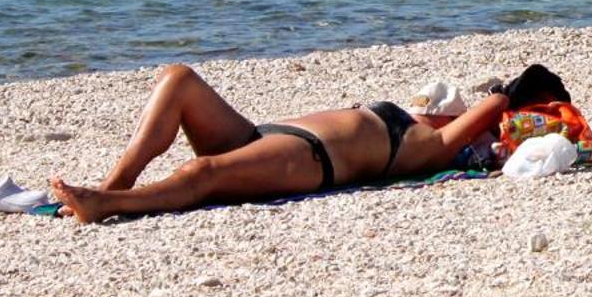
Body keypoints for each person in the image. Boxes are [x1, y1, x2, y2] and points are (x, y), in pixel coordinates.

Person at [49, 64, 511, 223]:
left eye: (436, 106)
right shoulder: (408, 123)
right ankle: (117, 181)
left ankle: (109, 204)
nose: (424, 107)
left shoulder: (427, 143)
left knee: (201, 174)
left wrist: (500, 97)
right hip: (264, 136)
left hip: (307, 160)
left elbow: (493, 105)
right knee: (179, 80)